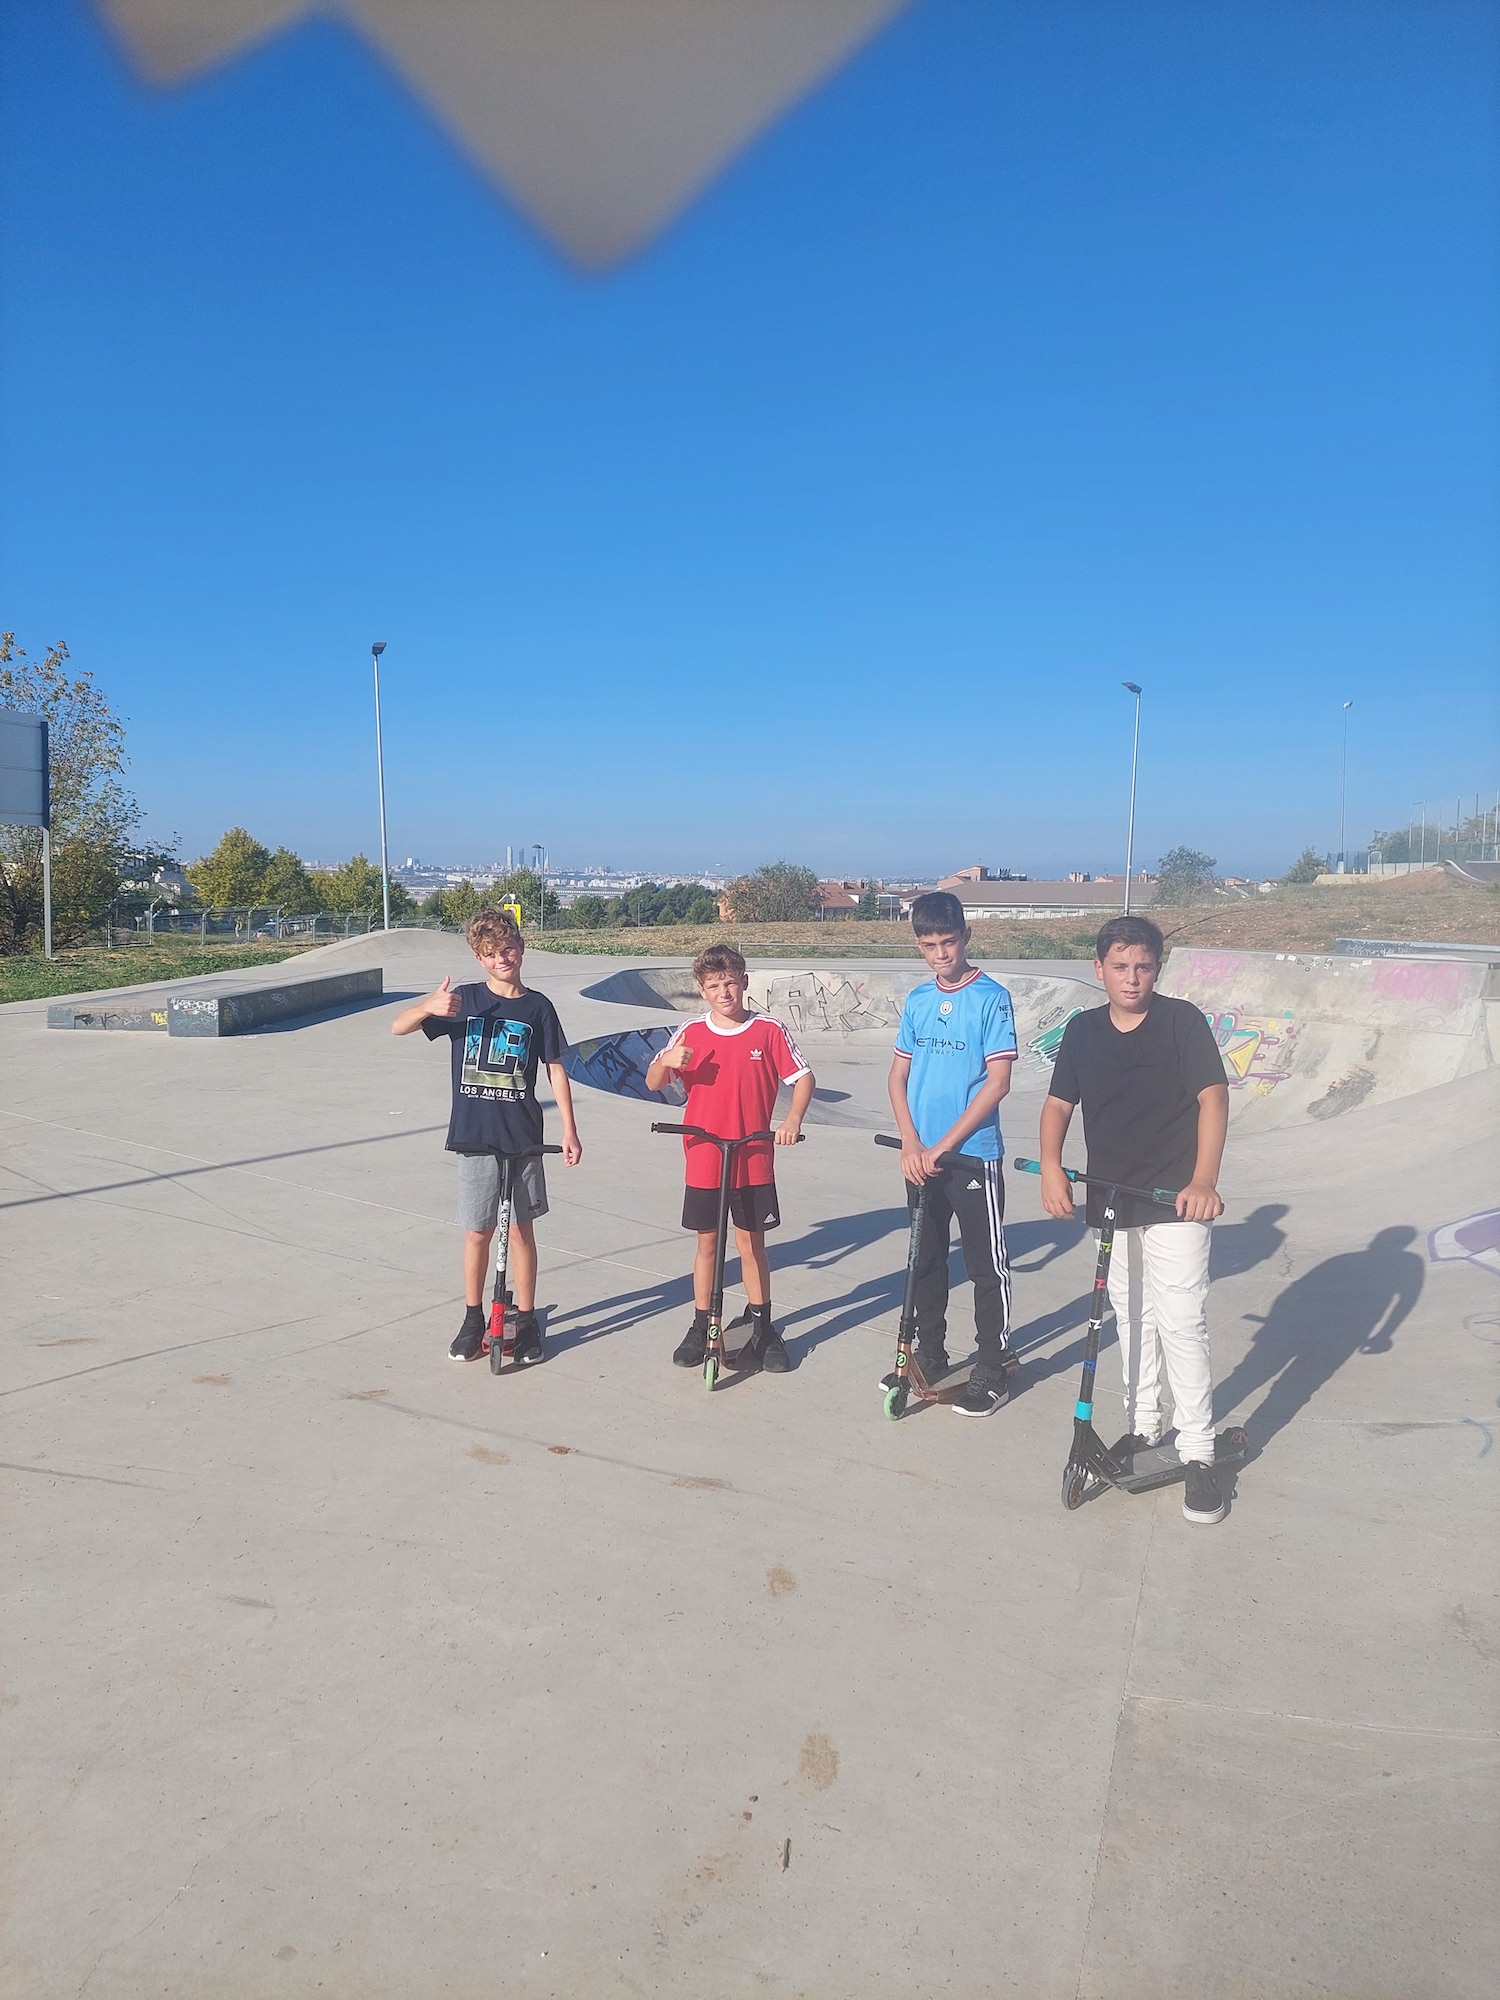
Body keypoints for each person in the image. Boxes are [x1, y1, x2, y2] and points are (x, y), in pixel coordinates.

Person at [1038, 913, 1232, 1524]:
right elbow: (1057, 1103)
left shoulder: (1182, 1022)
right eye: (1119, 967)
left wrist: (1203, 1180)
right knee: (1132, 1317)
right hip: (1113, 1199)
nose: (1131, 977)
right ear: (1099, 970)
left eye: (1143, 966)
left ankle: (1198, 1453)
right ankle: (1145, 1426)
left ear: (1157, 968)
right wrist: (1050, 1165)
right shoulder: (1083, 1031)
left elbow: (1213, 1097)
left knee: (1180, 1322)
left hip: (1177, 1200)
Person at [392, 906, 582, 1363]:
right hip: (474, 1136)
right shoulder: (464, 1001)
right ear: (480, 959)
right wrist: (427, 1008)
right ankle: (473, 1316)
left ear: (522, 948)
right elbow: (398, 1027)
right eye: (492, 953)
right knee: (477, 1231)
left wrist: (570, 1129)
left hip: (523, 1136)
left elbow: (555, 1067)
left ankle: (530, 1319)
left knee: (521, 1232)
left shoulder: (538, 1007)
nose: (503, 959)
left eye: (509, 949)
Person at [644, 944, 814, 1373]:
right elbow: (652, 1082)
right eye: (714, 985)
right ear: (702, 991)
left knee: (751, 1244)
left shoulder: (768, 1030)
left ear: (744, 983)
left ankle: (763, 1326)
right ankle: (702, 1324)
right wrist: (666, 1061)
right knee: (707, 1243)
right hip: (704, 1154)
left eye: (730, 983)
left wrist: (791, 1118)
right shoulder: (691, 1032)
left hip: (753, 1153)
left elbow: (803, 1077)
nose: (724, 992)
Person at [886, 891, 1019, 1418]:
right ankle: (934, 1353)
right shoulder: (918, 1000)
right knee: (926, 1261)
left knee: (986, 1265)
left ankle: (993, 1363)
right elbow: (897, 1075)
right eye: (929, 945)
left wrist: (944, 1145)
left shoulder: (991, 997)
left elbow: (998, 1082)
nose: (940, 954)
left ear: (966, 937)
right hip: (921, 1159)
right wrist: (911, 1142)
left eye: (948, 942)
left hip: (971, 1157)